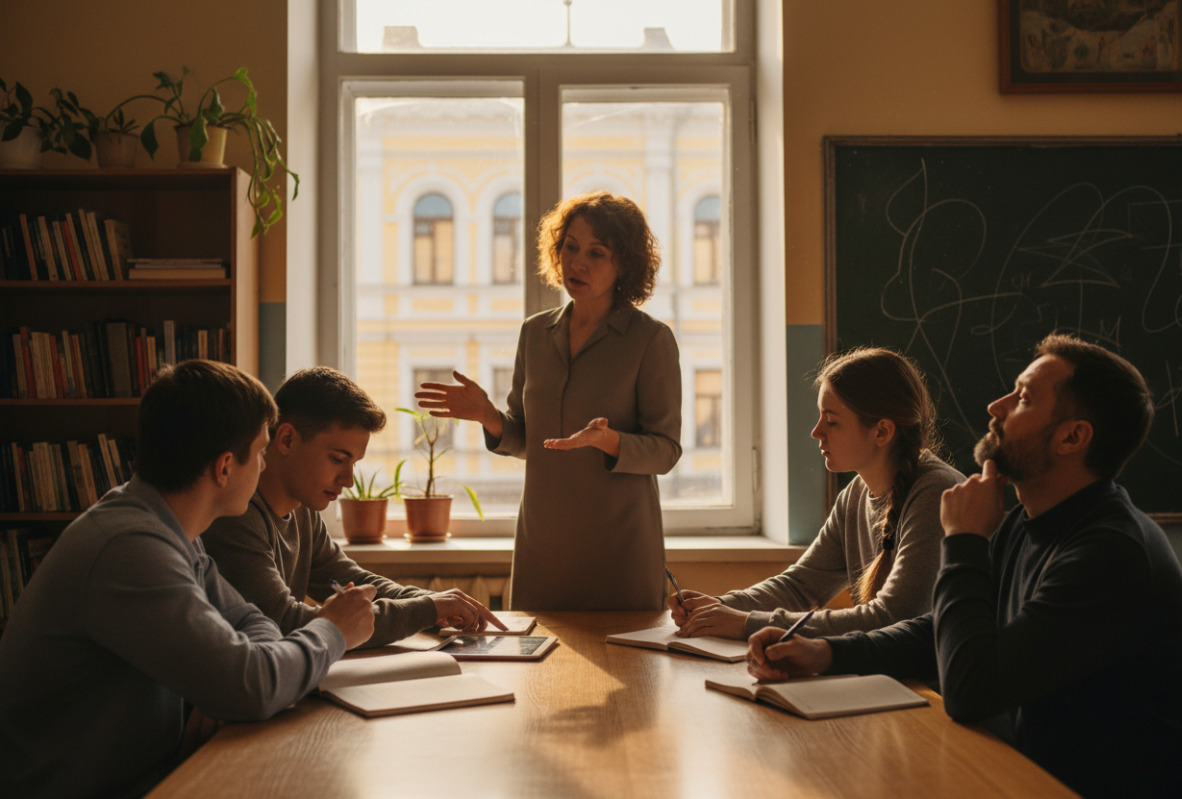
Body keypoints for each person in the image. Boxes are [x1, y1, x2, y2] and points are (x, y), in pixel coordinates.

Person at [746, 334, 1182, 799]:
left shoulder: (1110, 554)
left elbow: (970, 691)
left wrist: (965, 540)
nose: (995, 407)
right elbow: (936, 630)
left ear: (1072, 437)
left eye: (1022, 398)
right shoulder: (1030, 521)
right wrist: (824, 652)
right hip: (1028, 774)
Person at [0, 361, 377, 799]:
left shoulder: (171, 529)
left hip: (151, 774)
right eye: (259, 453)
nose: (263, 466)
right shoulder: (130, 549)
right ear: (223, 468)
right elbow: (250, 685)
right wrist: (332, 631)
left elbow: (252, 623)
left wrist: (225, 682)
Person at [415, 191, 682, 610]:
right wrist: (488, 416)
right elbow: (528, 439)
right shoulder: (534, 333)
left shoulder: (651, 340)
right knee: (536, 670)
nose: (577, 263)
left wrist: (609, 441)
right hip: (543, 546)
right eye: (570, 247)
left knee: (628, 672)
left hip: (620, 549)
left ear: (624, 265)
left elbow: (666, 451)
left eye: (596, 253)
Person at [669, 347, 964, 640]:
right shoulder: (855, 495)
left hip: (930, 685)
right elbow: (799, 586)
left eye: (832, 421)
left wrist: (746, 623)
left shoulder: (937, 494)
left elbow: (891, 618)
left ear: (882, 432)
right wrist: (719, 607)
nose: (816, 431)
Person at [203, 366, 503, 646]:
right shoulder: (235, 514)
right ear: (286, 439)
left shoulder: (302, 507)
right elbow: (285, 622)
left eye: (354, 463)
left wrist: (434, 602)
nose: (348, 480)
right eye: (337, 459)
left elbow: (353, 583)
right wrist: (426, 609)